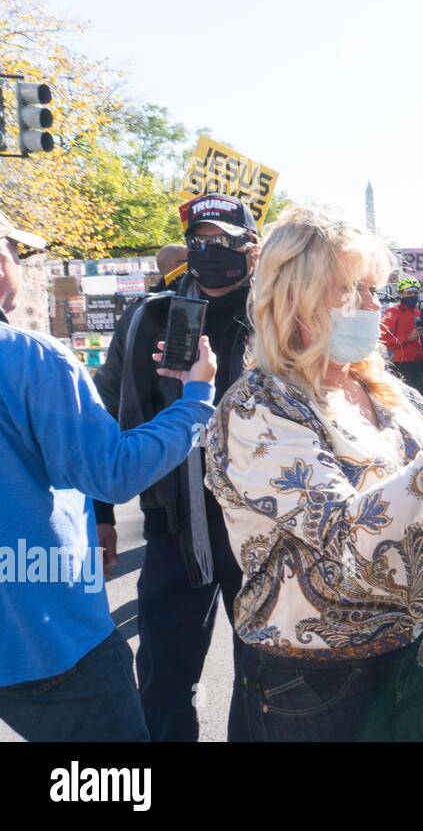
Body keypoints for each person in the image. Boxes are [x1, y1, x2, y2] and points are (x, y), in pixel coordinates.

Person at [204, 207, 423, 741]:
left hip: (410, 655)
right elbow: (346, 534)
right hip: (315, 684)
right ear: (295, 296)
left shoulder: (388, 392)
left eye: (373, 289)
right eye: (351, 289)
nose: (373, 304)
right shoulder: (257, 408)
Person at [1, 206, 220, 741]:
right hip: (47, 639)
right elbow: (111, 472)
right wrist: (196, 399)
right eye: (15, 251)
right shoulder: (30, 358)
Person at [92, 192, 260, 742]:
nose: (211, 251)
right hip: (174, 523)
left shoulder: (281, 314)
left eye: (223, 241)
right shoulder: (150, 316)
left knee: (265, 675)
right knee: (163, 678)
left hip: (262, 526)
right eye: (200, 240)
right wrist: (100, 513)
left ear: (250, 248)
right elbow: (106, 411)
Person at [380, 276, 423, 392]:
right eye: (409, 293)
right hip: (400, 364)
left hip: (415, 362)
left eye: (415, 293)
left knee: (419, 399)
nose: (412, 296)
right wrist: (407, 338)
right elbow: (383, 339)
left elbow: (416, 341)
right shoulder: (392, 312)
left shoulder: (417, 312)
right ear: (401, 294)